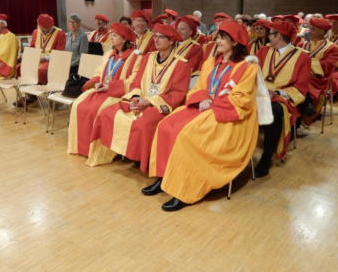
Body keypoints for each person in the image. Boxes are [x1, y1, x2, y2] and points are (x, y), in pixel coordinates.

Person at [145, 21, 259, 211]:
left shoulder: (247, 68)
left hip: (228, 116)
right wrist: (203, 98)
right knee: (166, 125)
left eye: (223, 38)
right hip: (205, 106)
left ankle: (183, 189)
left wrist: (213, 103)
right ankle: (162, 176)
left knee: (187, 136)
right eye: (218, 37)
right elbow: (199, 87)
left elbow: (243, 99)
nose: (217, 40)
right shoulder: (211, 62)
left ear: (235, 42)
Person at [87, 24, 192, 172]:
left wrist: (149, 101)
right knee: (107, 113)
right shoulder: (148, 58)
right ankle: (118, 152)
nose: (156, 39)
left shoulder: (181, 64)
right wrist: (135, 97)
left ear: (171, 41)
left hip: (159, 104)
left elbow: (177, 94)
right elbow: (136, 82)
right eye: (155, 36)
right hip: (140, 98)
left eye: (161, 37)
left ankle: (143, 161)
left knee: (143, 124)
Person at [67, 23, 140, 157]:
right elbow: (99, 72)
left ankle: (94, 150)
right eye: (111, 34)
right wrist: (95, 83)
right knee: (78, 105)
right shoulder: (109, 54)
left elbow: (134, 80)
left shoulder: (135, 57)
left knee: (96, 110)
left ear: (124, 39)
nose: (111, 38)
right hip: (102, 90)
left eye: (115, 35)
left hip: (117, 94)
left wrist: (110, 87)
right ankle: (79, 146)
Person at [255, 21, 311, 177]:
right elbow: (251, 73)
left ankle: (266, 157)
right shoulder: (264, 51)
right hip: (258, 93)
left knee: (275, 111)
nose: (268, 36)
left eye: (270, 33)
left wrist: (277, 93)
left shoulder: (302, 57)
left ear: (278, 36)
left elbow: (301, 87)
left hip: (281, 98)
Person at [299, 17, 338, 126]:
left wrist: (306, 62)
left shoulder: (332, 48)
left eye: (312, 29)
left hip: (320, 79)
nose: (309, 31)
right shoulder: (302, 44)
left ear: (322, 32)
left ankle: (301, 115)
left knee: (300, 86)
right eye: (309, 28)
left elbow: (327, 67)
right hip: (302, 75)